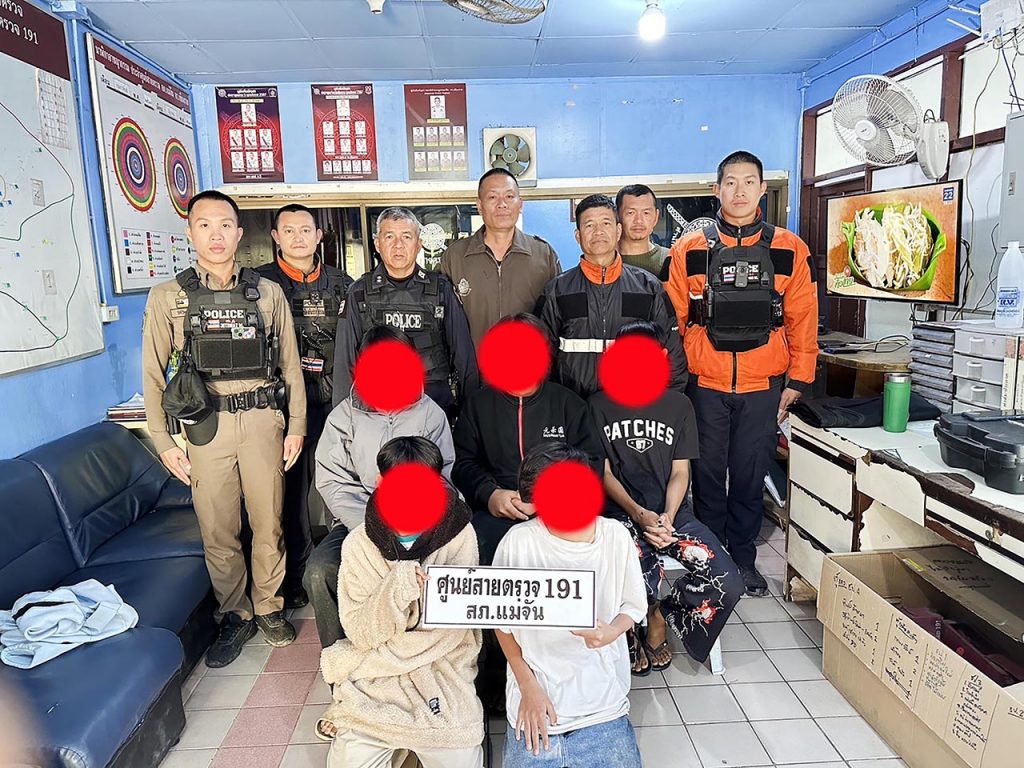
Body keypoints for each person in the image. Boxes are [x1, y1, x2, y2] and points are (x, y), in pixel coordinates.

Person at [142, 190, 305, 667]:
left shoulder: (267, 292)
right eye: (205, 225)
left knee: (269, 522)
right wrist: (163, 440)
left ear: (239, 233)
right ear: (190, 233)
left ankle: (269, 606)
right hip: (203, 425)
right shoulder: (168, 296)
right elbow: (152, 374)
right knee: (218, 528)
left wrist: (295, 425)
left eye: (225, 225)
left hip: (262, 421)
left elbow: (291, 366)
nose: (216, 235)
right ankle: (235, 613)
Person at [663, 150, 818, 596]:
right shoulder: (689, 248)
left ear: (762, 190)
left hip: (763, 386)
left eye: (749, 182)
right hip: (704, 384)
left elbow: (803, 318)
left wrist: (799, 380)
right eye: (730, 182)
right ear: (717, 190)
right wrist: (675, 383)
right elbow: (672, 320)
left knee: (750, 476)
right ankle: (711, 560)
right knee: (707, 476)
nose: (740, 191)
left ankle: (744, 560)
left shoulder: (789, 248)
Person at [319, 436, 484, 766]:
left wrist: (378, 656)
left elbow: (452, 631)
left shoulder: (460, 534)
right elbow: (359, 630)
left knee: (462, 756)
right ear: (380, 481)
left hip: (441, 670)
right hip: (379, 682)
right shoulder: (359, 544)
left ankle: (408, 749)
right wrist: (398, 586)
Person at [589, 320, 742, 675]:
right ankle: (629, 631)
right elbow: (604, 473)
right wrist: (639, 514)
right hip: (620, 514)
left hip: (671, 514)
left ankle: (660, 614)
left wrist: (668, 516)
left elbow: (680, 472)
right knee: (629, 568)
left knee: (728, 580)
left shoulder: (679, 405)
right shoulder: (598, 405)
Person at [494, 442, 646, 768]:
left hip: (602, 704)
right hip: (534, 698)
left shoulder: (615, 536)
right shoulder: (518, 542)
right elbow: (502, 623)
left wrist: (612, 632)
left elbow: (633, 607)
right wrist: (527, 685)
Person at [308, 326, 455, 649]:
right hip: (359, 524)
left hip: (422, 526)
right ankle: (343, 662)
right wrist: (373, 527)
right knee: (320, 571)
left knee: (455, 562)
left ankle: (432, 654)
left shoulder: (430, 414)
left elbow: (442, 476)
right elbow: (333, 480)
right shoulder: (343, 417)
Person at [255, 203, 353, 609]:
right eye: (289, 230)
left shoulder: (342, 283)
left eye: (306, 230)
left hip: (336, 400)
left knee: (340, 481)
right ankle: (296, 574)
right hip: (283, 405)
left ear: (318, 235)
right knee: (290, 491)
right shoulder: (259, 285)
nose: (298, 237)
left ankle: (342, 567)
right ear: (276, 237)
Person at [451, 314, 603, 567]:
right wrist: (490, 495)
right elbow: (462, 463)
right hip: (496, 513)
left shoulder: (569, 404)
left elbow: (592, 463)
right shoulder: (479, 404)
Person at [536, 194, 687, 399]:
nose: (598, 232)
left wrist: (661, 408)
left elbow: (672, 356)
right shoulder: (557, 291)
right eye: (589, 225)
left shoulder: (648, 288)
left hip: (631, 410)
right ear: (578, 236)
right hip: (574, 409)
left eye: (606, 223)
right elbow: (540, 359)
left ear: (618, 231)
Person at [333, 207, 479, 417]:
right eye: (389, 236)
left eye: (406, 237)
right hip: (377, 412)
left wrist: (471, 416)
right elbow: (344, 363)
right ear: (377, 243)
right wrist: (344, 422)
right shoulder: (359, 293)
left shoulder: (441, 289)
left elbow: (464, 356)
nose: (398, 245)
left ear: (418, 244)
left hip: (433, 408)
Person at [441, 169, 560, 347]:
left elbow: (557, 320)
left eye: (509, 196)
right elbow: (443, 321)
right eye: (492, 197)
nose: (502, 204)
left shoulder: (543, 254)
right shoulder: (455, 257)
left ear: (520, 204)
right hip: (474, 364)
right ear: (479, 205)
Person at [615, 183, 669, 276]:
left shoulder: (671, 259)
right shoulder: (604, 260)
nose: (638, 220)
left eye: (646, 213)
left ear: (656, 217)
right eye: (630, 213)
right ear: (617, 215)